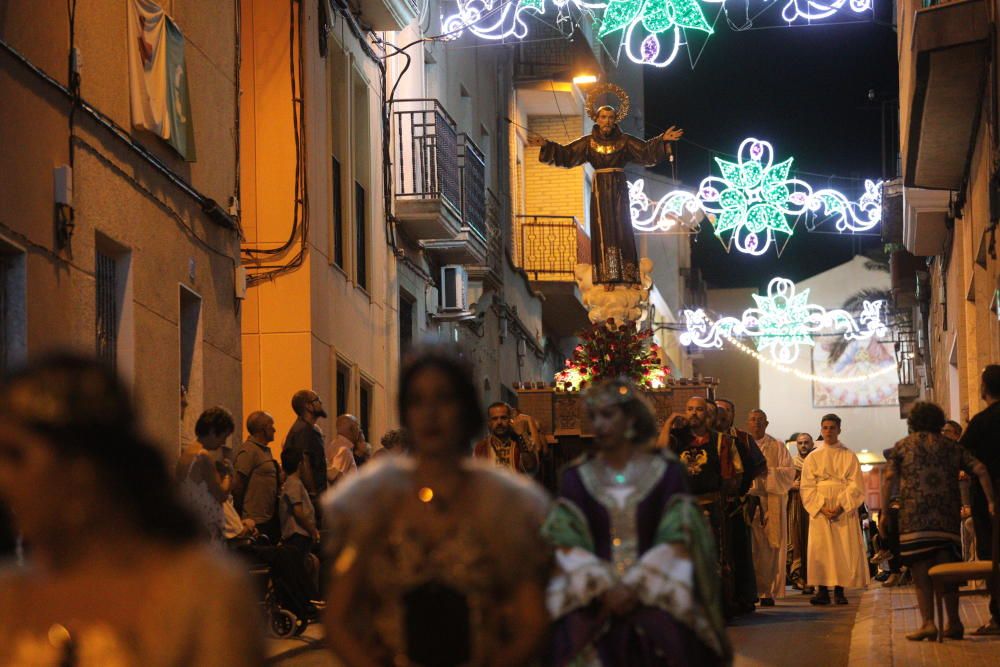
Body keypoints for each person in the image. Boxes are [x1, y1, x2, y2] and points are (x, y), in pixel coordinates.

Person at [0, 354, 262, 664]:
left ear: (83, 466)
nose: (4, 476)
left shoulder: (203, 595)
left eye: (16, 456)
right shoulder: (11, 593)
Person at [322, 348, 552, 666]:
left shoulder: (503, 501)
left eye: (444, 399)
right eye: (417, 401)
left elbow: (533, 619)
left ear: (465, 409)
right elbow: (337, 618)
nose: (430, 413)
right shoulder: (374, 498)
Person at [544, 379, 730, 666]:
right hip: (594, 597)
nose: (599, 425)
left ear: (631, 418)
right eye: (593, 416)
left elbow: (679, 533)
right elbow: (564, 538)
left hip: (657, 592)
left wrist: (636, 585)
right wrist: (604, 586)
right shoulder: (576, 476)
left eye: (608, 415)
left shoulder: (666, 472)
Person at [537, 91, 682, 286]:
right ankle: (606, 273)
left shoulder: (625, 141)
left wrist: (662, 140)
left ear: (615, 120)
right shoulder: (588, 143)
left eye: (611, 118)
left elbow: (646, 152)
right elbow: (568, 155)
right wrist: (547, 145)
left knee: (621, 226)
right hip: (600, 190)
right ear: (596, 119)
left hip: (618, 188)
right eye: (603, 117)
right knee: (602, 227)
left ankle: (625, 272)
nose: (607, 121)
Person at [882, 401, 995, 641]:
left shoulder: (903, 446)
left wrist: (883, 511)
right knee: (949, 573)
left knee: (921, 572)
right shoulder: (951, 447)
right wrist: (991, 501)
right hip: (947, 518)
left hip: (914, 520)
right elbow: (981, 469)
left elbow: (889, 477)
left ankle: (928, 623)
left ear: (913, 422)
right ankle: (954, 623)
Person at [658, 396, 743, 618]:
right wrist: (668, 423)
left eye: (699, 409)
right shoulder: (678, 440)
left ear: (708, 414)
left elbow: (735, 475)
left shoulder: (720, 441)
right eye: (689, 409)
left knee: (712, 559)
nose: (693, 413)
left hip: (711, 507)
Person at [800, 414, 869, 605]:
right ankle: (822, 590)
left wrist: (841, 506)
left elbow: (855, 484)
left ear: (839, 429)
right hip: (821, 508)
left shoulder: (848, 455)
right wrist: (821, 507)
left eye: (832, 427)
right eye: (825, 427)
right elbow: (807, 486)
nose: (828, 431)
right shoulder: (813, 457)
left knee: (842, 549)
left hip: (841, 507)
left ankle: (839, 590)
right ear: (821, 430)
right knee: (821, 549)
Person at [715, 398, 766, 615]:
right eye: (718, 410)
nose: (722, 414)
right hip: (713, 502)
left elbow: (757, 465)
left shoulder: (743, 438)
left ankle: (743, 597)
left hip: (735, 502)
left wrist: (741, 488)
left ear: (733, 414)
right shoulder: (708, 438)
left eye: (726, 410)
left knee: (739, 551)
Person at [959, 364, 1000, 635]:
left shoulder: (981, 422)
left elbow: (963, 457)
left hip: (990, 499)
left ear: (984, 388)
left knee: (994, 558)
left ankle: (997, 617)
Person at [746, 409, 796, 606]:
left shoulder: (777, 446)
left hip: (771, 500)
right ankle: (751, 591)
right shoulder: (743, 444)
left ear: (766, 424)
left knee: (771, 547)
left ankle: (768, 592)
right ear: (748, 423)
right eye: (753, 420)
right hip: (749, 500)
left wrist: (767, 472)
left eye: (760, 420)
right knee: (750, 548)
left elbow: (789, 472)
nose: (756, 423)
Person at [178, 407, 235, 540]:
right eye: (223, 436)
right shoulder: (203, 456)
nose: (223, 442)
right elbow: (221, 494)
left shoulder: (187, 454)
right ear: (212, 431)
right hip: (207, 530)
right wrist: (228, 474)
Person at [233, 410, 281, 542]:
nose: (274, 429)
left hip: (268, 517)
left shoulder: (264, 451)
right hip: (254, 520)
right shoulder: (249, 451)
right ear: (263, 429)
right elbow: (237, 484)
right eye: (271, 426)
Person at [283, 390, 329, 501]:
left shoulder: (307, 428)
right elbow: (304, 462)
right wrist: (313, 495)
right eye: (317, 399)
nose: (321, 402)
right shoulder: (303, 430)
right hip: (310, 499)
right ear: (308, 406)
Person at [473, 401, 537, 474]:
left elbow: (531, 468)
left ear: (510, 420)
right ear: (489, 422)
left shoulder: (519, 442)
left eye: (503, 418)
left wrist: (522, 435)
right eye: (494, 419)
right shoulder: (481, 447)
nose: (499, 422)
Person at [788, 432, 816, 594]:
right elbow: (783, 484)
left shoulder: (817, 461)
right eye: (800, 443)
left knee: (814, 543)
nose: (803, 446)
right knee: (798, 542)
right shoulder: (792, 463)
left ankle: (817, 579)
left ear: (812, 444)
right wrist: (791, 485)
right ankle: (800, 578)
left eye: (806, 442)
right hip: (797, 507)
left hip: (814, 508)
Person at [326, 414, 360, 485]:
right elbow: (337, 480)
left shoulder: (335, 444)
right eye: (357, 426)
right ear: (352, 429)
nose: (359, 431)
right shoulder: (343, 450)